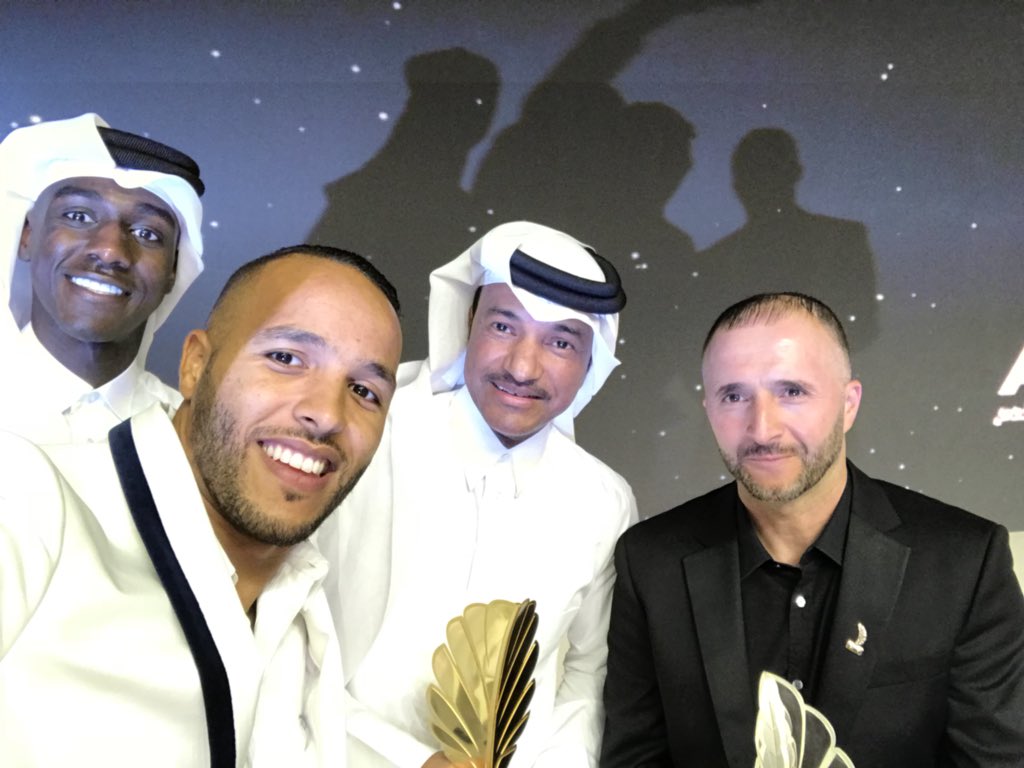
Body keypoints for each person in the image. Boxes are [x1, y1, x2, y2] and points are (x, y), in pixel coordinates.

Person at [0, 245, 403, 766]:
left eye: (364, 390)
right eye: (286, 358)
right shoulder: (27, 497)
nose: (326, 414)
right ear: (195, 365)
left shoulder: (296, 604)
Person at [600, 292, 1024, 768]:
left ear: (848, 404)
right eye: (734, 395)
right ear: (708, 411)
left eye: (792, 392)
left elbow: (996, 760)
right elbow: (634, 758)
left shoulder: (965, 562)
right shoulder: (650, 560)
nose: (762, 428)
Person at [319, 221, 638, 767]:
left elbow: (589, 673)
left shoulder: (604, 500)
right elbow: (291, 628)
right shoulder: (365, 435)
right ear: (468, 323)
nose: (521, 366)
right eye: (504, 326)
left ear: (591, 362)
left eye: (560, 341)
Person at [0, 112, 204, 443]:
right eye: (78, 216)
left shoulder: (191, 439)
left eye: (147, 233)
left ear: (173, 270)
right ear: (26, 236)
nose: (110, 251)